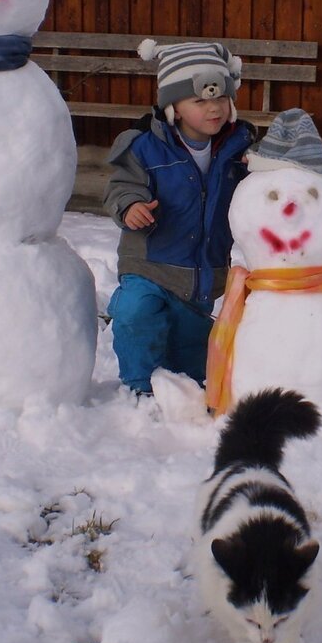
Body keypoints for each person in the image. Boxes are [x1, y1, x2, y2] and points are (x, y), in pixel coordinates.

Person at [103, 39, 256, 395]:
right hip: (150, 263)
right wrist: (130, 206)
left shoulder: (240, 150)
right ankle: (137, 388)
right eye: (199, 100)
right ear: (173, 106)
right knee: (136, 315)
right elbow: (121, 185)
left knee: (190, 349)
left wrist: (261, 173)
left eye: (220, 98)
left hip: (202, 272)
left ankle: (187, 389)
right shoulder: (144, 146)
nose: (213, 108)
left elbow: (257, 199)